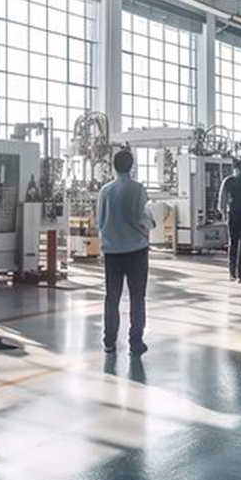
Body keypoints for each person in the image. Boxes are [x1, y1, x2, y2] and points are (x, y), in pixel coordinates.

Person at [97, 148, 154, 356]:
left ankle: (109, 341)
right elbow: (144, 218)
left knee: (112, 297)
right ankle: (135, 343)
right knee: (137, 297)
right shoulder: (138, 189)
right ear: (132, 166)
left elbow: (100, 222)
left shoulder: (105, 191)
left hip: (112, 252)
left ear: (113, 166)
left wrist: (107, 241)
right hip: (136, 251)